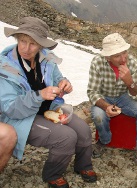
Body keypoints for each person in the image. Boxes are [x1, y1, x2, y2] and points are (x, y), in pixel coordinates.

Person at [0, 17, 97, 188]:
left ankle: (83, 165)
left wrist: (63, 83)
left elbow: (57, 78)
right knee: (66, 137)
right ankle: (53, 174)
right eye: (23, 41)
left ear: (41, 45)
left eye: (33, 44)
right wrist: (39, 95)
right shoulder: (5, 68)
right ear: (17, 39)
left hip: (49, 109)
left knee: (82, 129)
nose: (26, 48)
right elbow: (9, 108)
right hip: (22, 119)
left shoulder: (47, 59)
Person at [87, 33, 137, 169]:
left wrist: (130, 82)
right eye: (117, 56)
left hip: (125, 96)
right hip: (104, 96)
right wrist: (106, 106)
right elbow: (92, 92)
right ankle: (104, 140)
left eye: (125, 52)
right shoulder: (98, 62)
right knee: (98, 116)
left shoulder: (132, 62)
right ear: (107, 57)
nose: (123, 59)